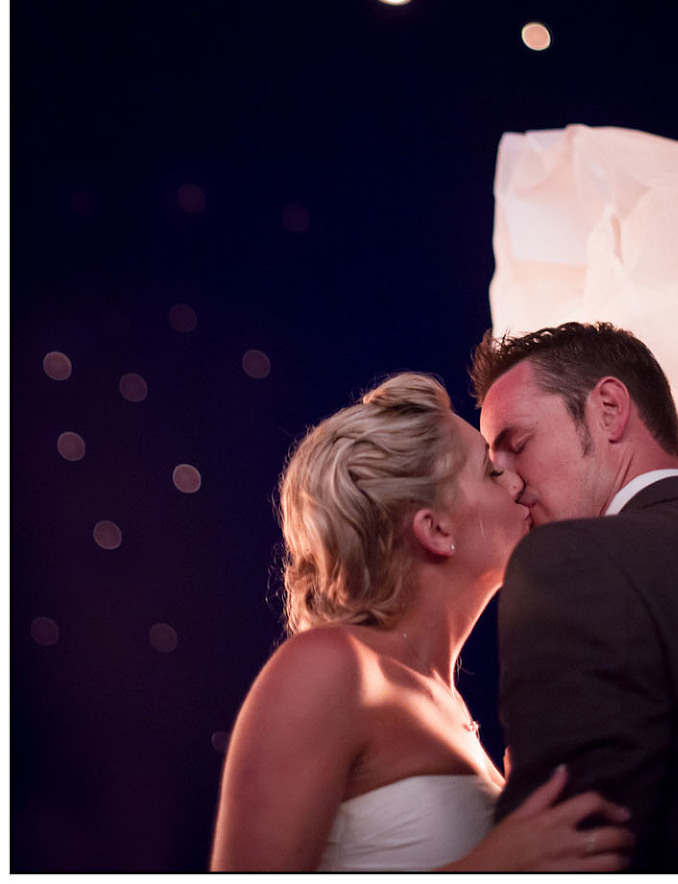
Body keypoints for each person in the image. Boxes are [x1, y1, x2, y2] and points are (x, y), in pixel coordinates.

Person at [210, 373, 634, 871]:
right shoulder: (330, 665)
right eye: (491, 472)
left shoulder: (453, 703)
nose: (518, 481)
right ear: (435, 529)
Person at [473, 322, 678, 872]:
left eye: (518, 445)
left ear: (608, 408)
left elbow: (573, 856)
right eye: (492, 466)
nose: (507, 485)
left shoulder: (566, 559)